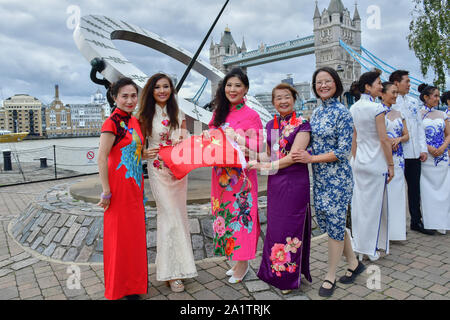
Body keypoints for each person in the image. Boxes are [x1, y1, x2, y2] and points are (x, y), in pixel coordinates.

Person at [291, 67, 362, 298]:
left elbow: (343, 152)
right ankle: (353, 263)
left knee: (334, 225)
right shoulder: (318, 112)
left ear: (336, 83)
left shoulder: (343, 112)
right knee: (333, 223)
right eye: (319, 82)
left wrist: (311, 158)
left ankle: (330, 275)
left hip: (338, 179)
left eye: (327, 81)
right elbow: (315, 144)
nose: (323, 85)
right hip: (320, 178)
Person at [248, 83, 312, 295]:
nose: (283, 101)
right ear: (273, 102)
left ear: (294, 98)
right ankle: (273, 273)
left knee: (290, 229)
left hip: (295, 183)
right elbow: (271, 155)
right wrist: (250, 153)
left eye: (287, 97)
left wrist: (264, 166)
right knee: (276, 228)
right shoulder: (271, 124)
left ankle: (287, 278)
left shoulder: (302, 124)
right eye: (278, 98)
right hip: (276, 183)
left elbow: (293, 156)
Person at [137, 73, 197, 292]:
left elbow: (185, 139)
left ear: (171, 90)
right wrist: (144, 153)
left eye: (166, 87)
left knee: (179, 216)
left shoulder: (177, 112)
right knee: (169, 216)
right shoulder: (143, 115)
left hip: (178, 171)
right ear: (150, 90)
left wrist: (184, 142)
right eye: (157, 87)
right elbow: (136, 146)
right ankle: (170, 273)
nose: (162, 91)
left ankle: (182, 268)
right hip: (158, 170)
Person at [204, 67, 263, 284]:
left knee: (243, 219)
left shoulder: (252, 115)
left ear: (246, 89)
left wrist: (238, 138)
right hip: (221, 177)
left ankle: (244, 262)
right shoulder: (219, 112)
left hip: (241, 180)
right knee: (226, 218)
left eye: (238, 85)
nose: (233, 89)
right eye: (229, 85)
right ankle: (237, 260)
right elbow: (211, 138)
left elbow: (259, 145)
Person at [97, 77, 148, 300]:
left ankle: (134, 285)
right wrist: (106, 191)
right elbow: (101, 158)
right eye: (124, 96)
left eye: (133, 95)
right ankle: (120, 287)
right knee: (118, 239)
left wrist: (149, 154)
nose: (129, 100)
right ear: (115, 97)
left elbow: (134, 151)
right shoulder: (112, 123)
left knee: (134, 238)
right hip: (117, 189)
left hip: (135, 188)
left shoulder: (134, 121)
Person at [349, 69, 394, 262]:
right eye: (378, 83)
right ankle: (370, 248)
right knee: (374, 207)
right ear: (368, 87)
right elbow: (384, 140)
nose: (381, 86)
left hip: (359, 162)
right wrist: (390, 164)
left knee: (360, 206)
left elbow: (354, 138)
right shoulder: (377, 109)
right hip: (376, 162)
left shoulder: (353, 109)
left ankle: (359, 245)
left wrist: (356, 159)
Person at [389, 70, 433, 235]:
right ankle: (397, 227)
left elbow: (419, 127)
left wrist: (422, 148)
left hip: (414, 153)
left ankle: (416, 221)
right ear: (396, 82)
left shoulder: (414, 102)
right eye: (406, 81)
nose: (409, 84)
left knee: (415, 189)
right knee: (396, 190)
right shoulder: (389, 103)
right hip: (398, 154)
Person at [418, 84, 450, 234]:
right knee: (427, 190)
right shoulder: (418, 114)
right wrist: (429, 148)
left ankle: (443, 222)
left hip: (442, 157)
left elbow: (448, 134)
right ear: (426, 97)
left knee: (444, 189)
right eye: (435, 96)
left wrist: (443, 147)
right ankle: (430, 221)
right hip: (427, 158)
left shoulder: (443, 115)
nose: (438, 99)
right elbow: (417, 136)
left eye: (438, 96)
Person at [381, 82, 409, 241]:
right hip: (383, 157)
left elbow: (407, 135)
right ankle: (385, 232)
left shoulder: (399, 113)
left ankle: (397, 231)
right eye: (393, 92)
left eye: (397, 93)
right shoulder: (377, 112)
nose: (396, 95)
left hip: (398, 159)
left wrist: (399, 138)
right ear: (383, 94)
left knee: (398, 194)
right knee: (385, 194)